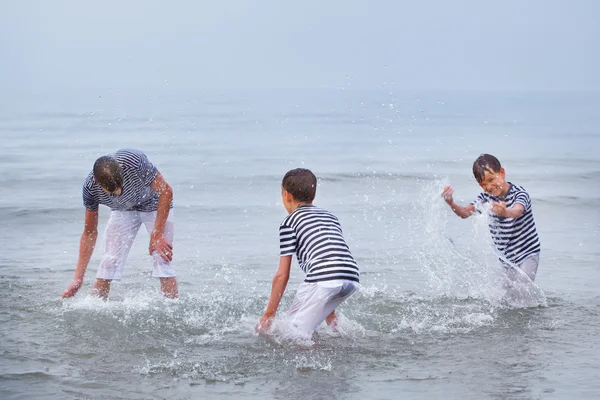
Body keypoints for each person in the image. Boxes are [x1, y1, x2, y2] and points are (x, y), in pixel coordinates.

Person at [62, 148, 178, 299]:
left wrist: (156, 234)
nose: (118, 193)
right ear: (96, 181)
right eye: (112, 192)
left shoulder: (134, 162)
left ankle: (172, 310)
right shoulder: (90, 189)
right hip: (123, 211)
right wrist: (78, 278)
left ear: (121, 169)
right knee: (109, 261)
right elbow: (90, 232)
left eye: (120, 186)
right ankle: (97, 311)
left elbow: (166, 191)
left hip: (155, 203)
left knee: (161, 257)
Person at [257, 168, 360, 337]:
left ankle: (318, 357)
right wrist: (329, 311)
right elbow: (330, 254)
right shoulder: (330, 216)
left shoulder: (289, 222)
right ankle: (338, 335)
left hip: (323, 278)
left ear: (287, 195)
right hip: (351, 277)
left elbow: (282, 275)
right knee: (289, 323)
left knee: (294, 335)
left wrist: (268, 315)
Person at [441, 154, 541, 282]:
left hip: (528, 253)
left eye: (492, 180)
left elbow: (517, 211)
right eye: (483, 184)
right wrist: (451, 203)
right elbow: (465, 213)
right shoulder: (485, 199)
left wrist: (504, 212)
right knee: (505, 299)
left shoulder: (520, 194)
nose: (488, 187)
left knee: (522, 292)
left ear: (502, 173)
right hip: (506, 259)